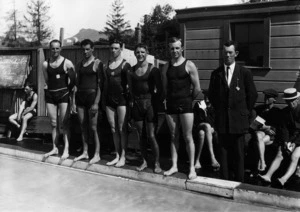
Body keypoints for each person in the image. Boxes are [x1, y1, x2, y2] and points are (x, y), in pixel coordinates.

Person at [208, 40, 257, 182]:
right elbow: (212, 95)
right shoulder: (216, 74)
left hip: (239, 121)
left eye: (230, 52)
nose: (227, 55)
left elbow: (252, 95)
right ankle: (224, 182)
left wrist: (244, 112)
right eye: (225, 53)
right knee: (223, 154)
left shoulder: (244, 73)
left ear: (236, 54)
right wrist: (220, 111)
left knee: (239, 155)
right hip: (223, 121)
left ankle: (239, 183)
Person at [162, 37, 201, 180]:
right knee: (173, 136)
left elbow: (197, 88)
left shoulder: (189, 65)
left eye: (177, 48)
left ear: (182, 48)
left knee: (188, 136)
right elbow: (165, 88)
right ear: (169, 49)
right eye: (172, 48)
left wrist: (189, 100)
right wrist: (167, 100)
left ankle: (191, 168)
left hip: (185, 104)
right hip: (171, 105)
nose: (174, 51)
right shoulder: (166, 66)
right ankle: (174, 166)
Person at [127, 43, 162, 173]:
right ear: (135, 54)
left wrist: (156, 106)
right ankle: (144, 161)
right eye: (138, 52)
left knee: (151, 136)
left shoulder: (153, 69)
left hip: (150, 104)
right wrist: (132, 104)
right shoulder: (131, 70)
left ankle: (157, 163)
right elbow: (130, 90)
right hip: (137, 104)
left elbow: (159, 90)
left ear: (146, 52)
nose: (140, 54)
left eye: (142, 52)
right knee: (140, 136)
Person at [258, 88, 300, 189]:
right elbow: (284, 129)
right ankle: (268, 176)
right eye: (288, 101)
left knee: (294, 156)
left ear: (297, 100)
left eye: (292, 101)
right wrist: (285, 142)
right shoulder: (285, 112)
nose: (290, 103)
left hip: (299, 140)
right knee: (280, 153)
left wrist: (294, 143)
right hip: (290, 139)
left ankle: (283, 179)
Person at [42, 39, 76, 160]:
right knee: (53, 123)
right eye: (53, 48)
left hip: (63, 94)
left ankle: (66, 148)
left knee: (64, 123)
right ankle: (55, 147)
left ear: (60, 49)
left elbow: (73, 81)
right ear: (49, 49)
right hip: (51, 94)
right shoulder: (45, 64)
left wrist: (71, 97)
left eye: (57, 48)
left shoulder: (67, 63)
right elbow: (47, 80)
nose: (55, 51)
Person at [72, 39, 103, 164]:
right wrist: (74, 102)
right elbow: (76, 85)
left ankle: (97, 153)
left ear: (92, 49)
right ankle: (85, 152)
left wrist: (96, 102)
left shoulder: (97, 63)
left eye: (87, 49)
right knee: (82, 126)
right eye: (83, 49)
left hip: (92, 97)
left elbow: (101, 85)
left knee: (94, 127)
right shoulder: (79, 64)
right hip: (80, 97)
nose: (85, 52)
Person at [102, 39, 131, 167]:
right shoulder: (106, 64)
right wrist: (103, 100)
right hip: (109, 100)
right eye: (111, 48)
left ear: (121, 49)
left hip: (122, 100)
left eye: (116, 48)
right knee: (113, 129)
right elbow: (105, 84)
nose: (113, 50)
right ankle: (117, 155)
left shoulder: (126, 65)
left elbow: (130, 85)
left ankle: (123, 156)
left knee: (121, 128)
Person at [253, 89, 281, 172]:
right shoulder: (259, 109)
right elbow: (254, 125)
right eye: (265, 97)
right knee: (258, 136)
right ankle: (262, 161)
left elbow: (277, 127)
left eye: (269, 97)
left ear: (274, 100)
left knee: (259, 141)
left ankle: (259, 164)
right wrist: (265, 128)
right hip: (261, 132)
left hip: (270, 136)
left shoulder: (277, 111)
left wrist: (270, 128)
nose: (266, 99)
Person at [193, 90, 219, 171]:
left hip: (211, 129)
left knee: (202, 133)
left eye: (209, 96)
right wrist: (204, 111)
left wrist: (213, 127)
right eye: (205, 96)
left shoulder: (215, 106)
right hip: (199, 126)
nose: (207, 98)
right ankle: (212, 158)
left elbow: (216, 120)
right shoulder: (198, 104)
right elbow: (197, 120)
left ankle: (197, 160)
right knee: (206, 126)